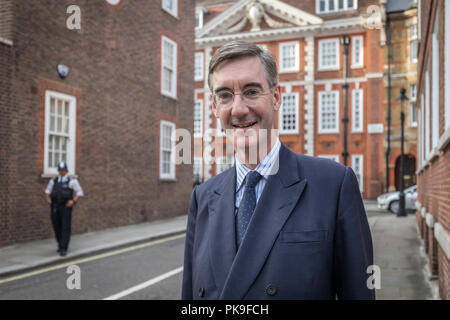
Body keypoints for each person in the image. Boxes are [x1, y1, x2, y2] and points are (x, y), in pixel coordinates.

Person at [182, 41, 375, 300]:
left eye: (251, 92)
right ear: (215, 107)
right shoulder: (203, 197)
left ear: (275, 98)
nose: (238, 109)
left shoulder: (334, 185)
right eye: (225, 95)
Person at [45, 161, 84, 256]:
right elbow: (47, 191)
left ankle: (64, 248)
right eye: (60, 170)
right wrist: (48, 198)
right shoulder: (53, 180)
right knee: (56, 226)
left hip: (65, 206)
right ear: (58, 171)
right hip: (55, 206)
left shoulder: (72, 181)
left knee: (65, 227)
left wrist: (73, 201)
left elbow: (79, 192)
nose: (62, 172)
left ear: (66, 171)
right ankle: (59, 244)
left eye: (64, 170)